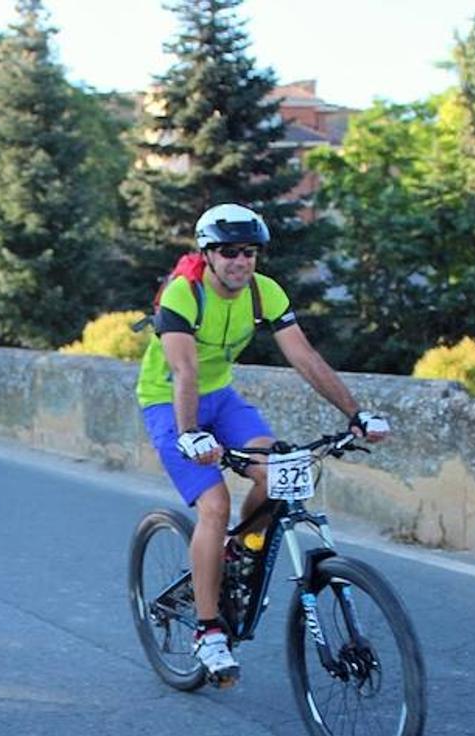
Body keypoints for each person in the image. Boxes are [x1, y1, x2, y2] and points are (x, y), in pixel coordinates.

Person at [134, 203, 390, 686]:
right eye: (228, 252)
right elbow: (184, 372)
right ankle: (208, 632)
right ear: (208, 255)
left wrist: (355, 414)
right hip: (169, 403)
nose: (240, 261)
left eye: (249, 252)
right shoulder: (184, 295)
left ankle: (242, 548)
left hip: (222, 399)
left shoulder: (264, 293)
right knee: (214, 503)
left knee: (281, 469)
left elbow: (305, 357)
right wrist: (191, 436)